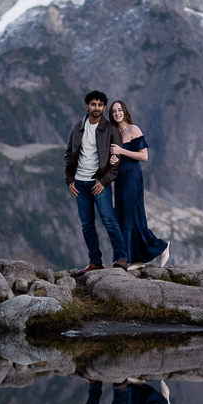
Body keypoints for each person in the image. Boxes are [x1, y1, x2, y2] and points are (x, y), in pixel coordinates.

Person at [63, 89, 126, 271]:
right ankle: (95, 262)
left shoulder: (111, 129)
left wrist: (104, 181)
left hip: (99, 184)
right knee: (87, 225)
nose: (96, 108)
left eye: (100, 105)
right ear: (87, 106)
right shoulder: (77, 127)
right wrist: (70, 180)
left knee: (109, 220)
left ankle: (121, 257)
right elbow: (68, 154)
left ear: (104, 107)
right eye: (93, 104)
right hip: (80, 184)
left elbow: (117, 162)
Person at [105, 99, 168, 268]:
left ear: (124, 111)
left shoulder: (134, 129)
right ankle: (135, 259)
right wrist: (113, 158)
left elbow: (144, 156)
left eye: (119, 110)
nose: (117, 113)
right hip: (119, 180)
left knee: (134, 214)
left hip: (133, 178)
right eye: (114, 111)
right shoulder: (114, 133)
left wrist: (121, 151)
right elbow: (116, 158)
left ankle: (160, 247)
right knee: (123, 216)